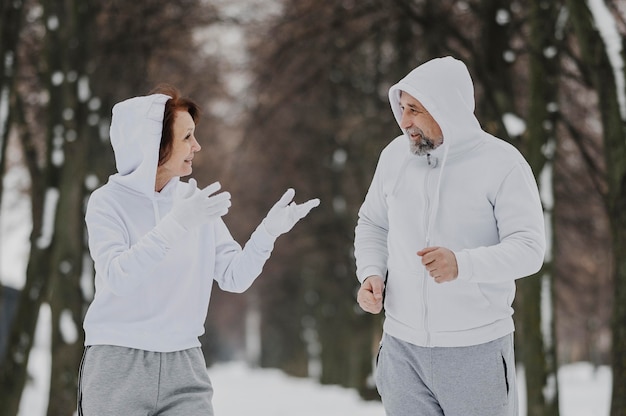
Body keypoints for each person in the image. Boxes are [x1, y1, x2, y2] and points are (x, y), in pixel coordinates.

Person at [77, 84, 319, 415]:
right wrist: (177, 225)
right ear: (155, 145)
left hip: (184, 363)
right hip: (119, 361)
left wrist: (268, 232)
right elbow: (119, 278)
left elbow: (235, 276)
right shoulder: (108, 203)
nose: (197, 146)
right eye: (187, 137)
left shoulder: (194, 203)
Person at [354, 56, 545, 416]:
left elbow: (530, 249)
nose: (404, 119)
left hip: (476, 349)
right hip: (402, 349)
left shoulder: (502, 164)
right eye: (402, 107)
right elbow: (372, 223)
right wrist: (371, 273)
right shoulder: (394, 157)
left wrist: (463, 264)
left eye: (415, 109)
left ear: (447, 108)